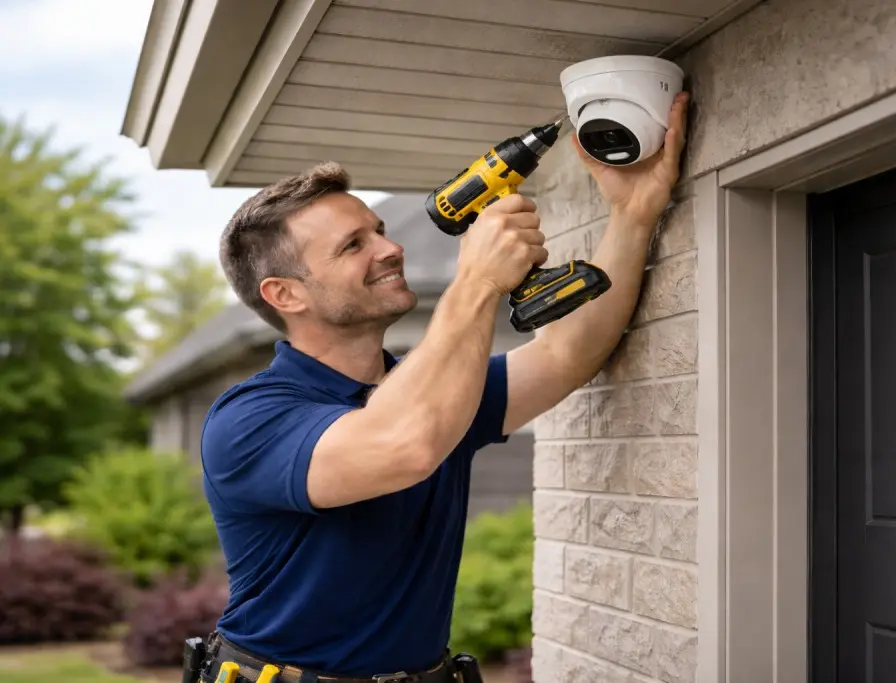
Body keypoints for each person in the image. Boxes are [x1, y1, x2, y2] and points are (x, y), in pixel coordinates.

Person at [197, 91, 690, 682]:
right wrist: (477, 281)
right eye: (354, 245)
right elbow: (403, 444)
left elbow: (566, 352)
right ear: (286, 294)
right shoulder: (249, 419)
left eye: (378, 230)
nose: (390, 248)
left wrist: (634, 211)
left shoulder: (436, 390)